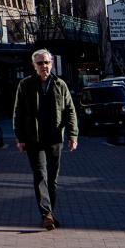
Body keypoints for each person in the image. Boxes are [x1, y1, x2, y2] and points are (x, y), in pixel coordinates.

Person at [13, 48, 78, 230]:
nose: (44, 66)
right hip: (34, 139)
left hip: (55, 137)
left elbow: (70, 111)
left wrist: (73, 135)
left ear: (52, 64)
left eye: (47, 62)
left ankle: (49, 212)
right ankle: (46, 214)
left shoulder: (60, 85)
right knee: (40, 175)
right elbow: (18, 112)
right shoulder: (25, 85)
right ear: (34, 66)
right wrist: (19, 137)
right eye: (40, 63)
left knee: (52, 179)